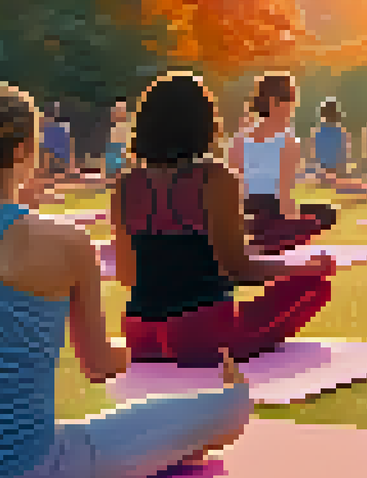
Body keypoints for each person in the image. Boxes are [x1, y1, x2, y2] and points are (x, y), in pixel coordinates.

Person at [0, 81, 252, 478]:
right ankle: (231, 403)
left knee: (96, 432)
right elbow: (99, 367)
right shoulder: (66, 240)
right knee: (218, 411)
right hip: (25, 476)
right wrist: (131, 351)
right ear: (25, 151)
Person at [117, 73, 337, 368]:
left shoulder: (126, 183)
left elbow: (126, 275)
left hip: (139, 331)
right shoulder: (215, 178)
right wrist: (302, 267)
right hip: (199, 331)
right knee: (315, 284)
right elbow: (239, 269)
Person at [228, 73, 337, 254]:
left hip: (246, 209)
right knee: (324, 214)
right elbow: (285, 197)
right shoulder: (288, 141)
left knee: (321, 212)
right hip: (271, 209)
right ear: (274, 102)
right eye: (291, 100)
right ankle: (273, 234)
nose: (294, 106)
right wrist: (294, 223)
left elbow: (233, 185)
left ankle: (265, 231)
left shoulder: (238, 139)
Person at [104, 99, 131, 182]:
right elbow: (110, 157)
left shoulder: (128, 130)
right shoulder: (113, 130)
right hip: (113, 171)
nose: (118, 112)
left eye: (121, 110)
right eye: (117, 109)